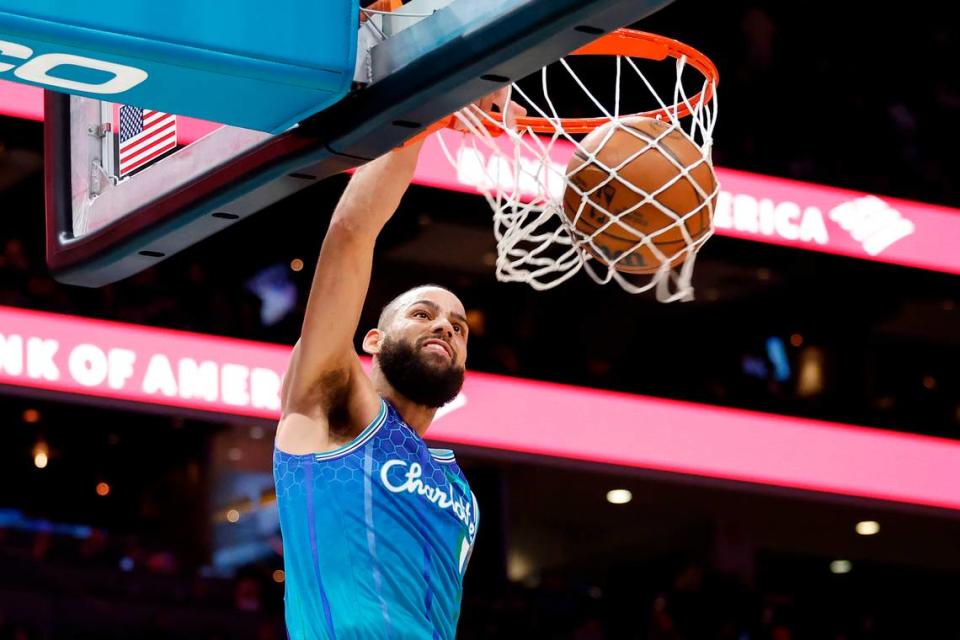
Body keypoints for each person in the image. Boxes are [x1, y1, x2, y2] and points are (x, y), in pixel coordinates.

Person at [273, 93, 523, 639]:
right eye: (423, 313)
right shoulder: (332, 404)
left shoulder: (461, 492)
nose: (445, 328)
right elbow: (349, 236)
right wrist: (428, 102)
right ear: (373, 340)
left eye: (458, 328)